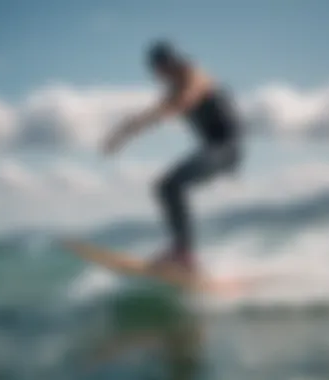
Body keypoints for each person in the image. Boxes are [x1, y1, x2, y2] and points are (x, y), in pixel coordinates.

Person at [103, 40, 242, 272]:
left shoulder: (193, 73)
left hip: (227, 149)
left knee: (171, 186)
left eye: (157, 70)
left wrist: (177, 103)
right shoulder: (174, 91)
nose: (158, 76)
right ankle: (183, 253)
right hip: (213, 150)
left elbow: (193, 91)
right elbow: (151, 116)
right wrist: (121, 134)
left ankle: (183, 254)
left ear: (166, 64)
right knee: (165, 187)